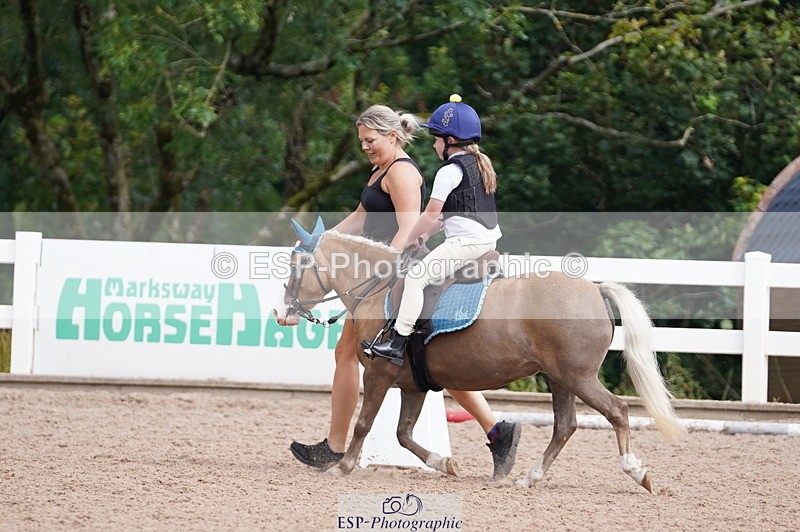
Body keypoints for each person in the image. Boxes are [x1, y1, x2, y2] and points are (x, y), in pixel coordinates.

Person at [289, 104, 521, 480]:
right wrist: (322, 241)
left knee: (425, 357)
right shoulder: (381, 170)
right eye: (362, 141)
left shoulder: (402, 173)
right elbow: (361, 217)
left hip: (393, 270)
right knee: (354, 353)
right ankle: (495, 429)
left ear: (391, 135)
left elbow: (410, 226)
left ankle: (335, 446)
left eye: (370, 140)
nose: (365, 146)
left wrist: (387, 265)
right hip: (375, 274)